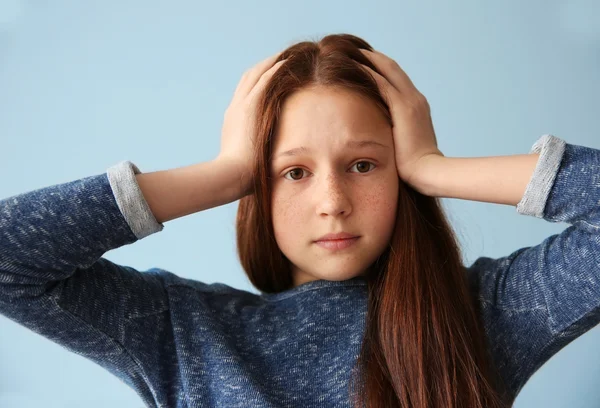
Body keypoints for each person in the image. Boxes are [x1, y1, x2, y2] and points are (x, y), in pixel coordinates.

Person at [0, 33, 598, 408]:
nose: (332, 200)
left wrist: (435, 169)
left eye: (363, 164)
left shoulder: (482, 313)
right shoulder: (181, 331)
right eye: (294, 172)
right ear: (258, 188)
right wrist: (226, 173)